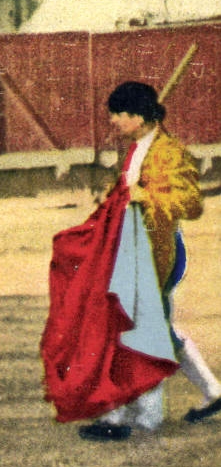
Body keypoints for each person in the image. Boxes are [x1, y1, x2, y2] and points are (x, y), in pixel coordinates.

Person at [57, 82, 221, 440]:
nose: (113, 121)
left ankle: (142, 418)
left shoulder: (169, 152)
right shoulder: (137, 149)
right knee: (153, 327)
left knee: (142, 329)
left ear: (137, 116)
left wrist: (146, 195)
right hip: (133, 249)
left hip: (156, 252)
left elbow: (191, 204)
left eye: (118, 114)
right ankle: (211, 391)